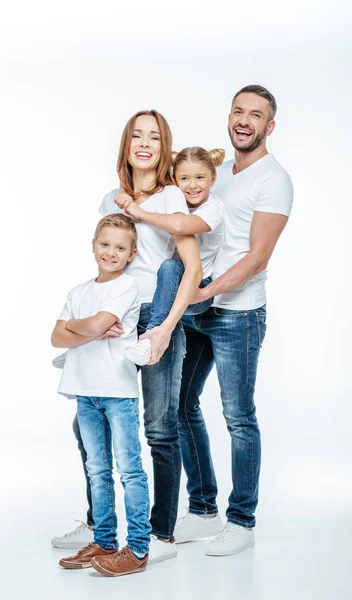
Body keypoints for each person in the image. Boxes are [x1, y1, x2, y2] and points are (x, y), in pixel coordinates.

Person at [52, 110, 202, 564]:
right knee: (88, 422)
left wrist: (163, 330)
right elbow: (111, 255)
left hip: (156, 319)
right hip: (117, 316)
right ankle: (102, 525)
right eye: (136, 135)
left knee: (159, 427)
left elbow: (189, 268)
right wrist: (91, 316)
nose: (144, 143)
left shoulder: (172, 195)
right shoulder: (110, 199)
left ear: (164, 148)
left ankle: (158, 536)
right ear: (126, 144)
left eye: (154, 137)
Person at [173, 85, 294, 556]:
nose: (245, 120)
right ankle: (203, 511)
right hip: (197, 309)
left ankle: (241, 521)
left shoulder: (274, 179)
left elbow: (258, 257)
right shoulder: (215, 174)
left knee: (239, 417)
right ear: (229, 117)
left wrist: (205, 292)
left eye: (256, 115)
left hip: (238, 314)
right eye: (239, 111)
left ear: (270, 126)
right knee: (181, 407)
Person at [51, 214, 151, 577]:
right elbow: (56, 337)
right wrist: (89, 328)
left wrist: (79, 326)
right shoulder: (79, 292)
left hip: (117, 391)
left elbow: (81, 327)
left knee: (129, 470)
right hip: (85, 391)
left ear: (132, 254)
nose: (111, 252)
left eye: (120, 248)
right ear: (93, 245)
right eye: (105, 244)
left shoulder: (127, 287)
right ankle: (105, 540)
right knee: (97, 469)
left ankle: (138, 548)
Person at [114, 146, 225, 366]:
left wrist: (140, 212)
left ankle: (152, 336)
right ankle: (88, 347)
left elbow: (180, 224)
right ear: (174, 180)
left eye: (200, 177)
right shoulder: (173, 200)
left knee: (170, 265)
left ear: (213, 178)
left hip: (197, 288)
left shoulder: (213, 208)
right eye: (184, 178)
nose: (192, 185)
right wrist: (126, 196)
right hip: (169, 286)